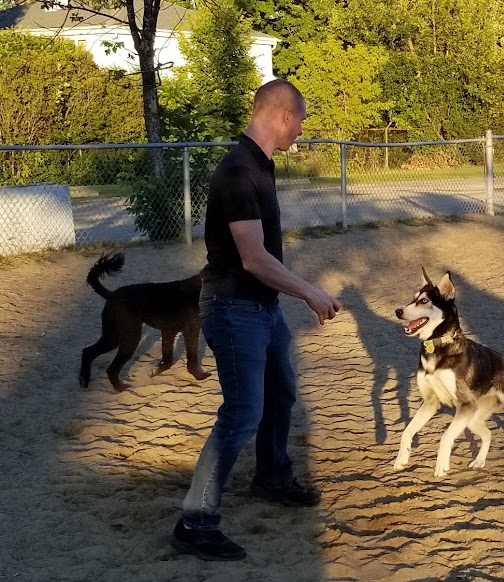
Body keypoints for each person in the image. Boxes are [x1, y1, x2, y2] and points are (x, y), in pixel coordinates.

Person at [170, 79, 341, 562]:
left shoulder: (259, 165)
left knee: (281, 390)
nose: (302, 131)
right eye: (302, 120)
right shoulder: (238, 171)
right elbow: (252, 258)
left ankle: (271, 475)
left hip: (261, 307)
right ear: (284, 115)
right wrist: (309, 291)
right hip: (232, 307)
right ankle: (195, 522)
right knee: (243, 411)